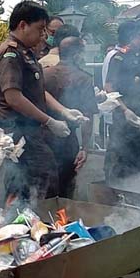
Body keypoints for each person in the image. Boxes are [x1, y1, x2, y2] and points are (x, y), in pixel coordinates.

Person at [0, 1, 87, 207]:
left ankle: (27, 223)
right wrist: (50, 121)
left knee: (31, 180)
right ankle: (34, 223)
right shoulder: (10, 54)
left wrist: (64, 111)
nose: (43, 35)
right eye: (40, 29)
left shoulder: (26, 53)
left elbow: (38, 91)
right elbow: (13, 97)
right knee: (40, 177)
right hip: (17, 130)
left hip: (29, 129)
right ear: (23, 25)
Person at [103, 18, 140, 181]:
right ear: (131, 36)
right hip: (125, 118)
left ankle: (137, 192)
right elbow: (109, 86)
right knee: (120, 157)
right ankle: (114, 192)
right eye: (139, 35)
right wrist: (125, 110)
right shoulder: (119, 58)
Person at [43, 36, 100, 198]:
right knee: (65, 189)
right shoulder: (84, 79)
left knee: (43, 188)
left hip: (42, 139)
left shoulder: (44, 74)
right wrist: (85, 148)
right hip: (67, 142)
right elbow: (88, 117)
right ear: (77, 55)